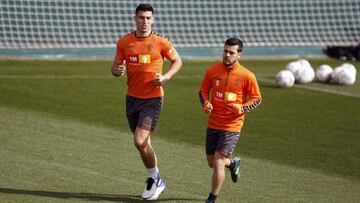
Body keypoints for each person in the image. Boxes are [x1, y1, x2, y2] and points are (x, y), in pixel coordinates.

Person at [111, 4, 182, 200]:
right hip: (132, 99)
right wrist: (116, 70)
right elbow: (116, 66)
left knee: (139, 140)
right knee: (144, 143)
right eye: (141, 17)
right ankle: (155, 178)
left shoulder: (161, 42)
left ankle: (154, 178)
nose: (145, 21)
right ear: (135, 18)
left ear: (153, 19)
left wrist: (166, 77)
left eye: (148, 18)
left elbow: (178, 61)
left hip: (152, 99)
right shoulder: (124, 42)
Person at [199, 37, 262, 203]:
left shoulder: (247, 76)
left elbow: (256, 98)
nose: (227, 55)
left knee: (218, 161)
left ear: (239, 55)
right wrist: (206, 104)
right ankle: (233, 164)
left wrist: (242, 107)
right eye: (225, 51)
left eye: (231, 52)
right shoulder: (212, 70)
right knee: (211, 162)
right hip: (214, 123)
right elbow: (203, 91)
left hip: (232, 126)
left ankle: (212, 198)